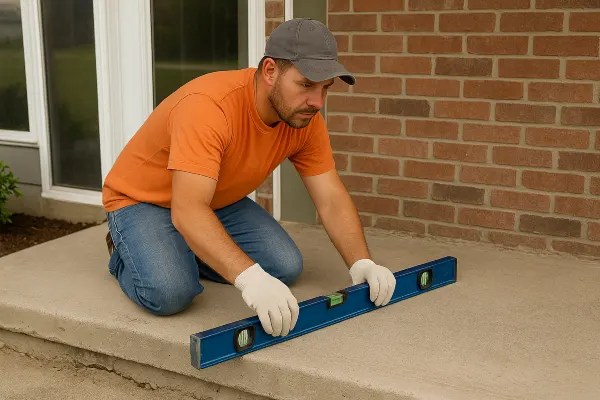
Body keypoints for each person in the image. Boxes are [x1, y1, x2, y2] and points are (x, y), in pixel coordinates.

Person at [102, 18, 396, 338]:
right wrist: (251, 280)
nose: (317, 102)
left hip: (212, 199)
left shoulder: (303, 118)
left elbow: (330, 197)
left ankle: (184, 244)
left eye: (326, 88)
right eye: (307, 85)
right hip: (142, 200)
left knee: (284, 266)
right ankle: (123, 251)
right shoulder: (209, 108)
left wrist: (361, 263)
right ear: (270, 71)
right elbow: (188, 209)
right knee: (171, 292)